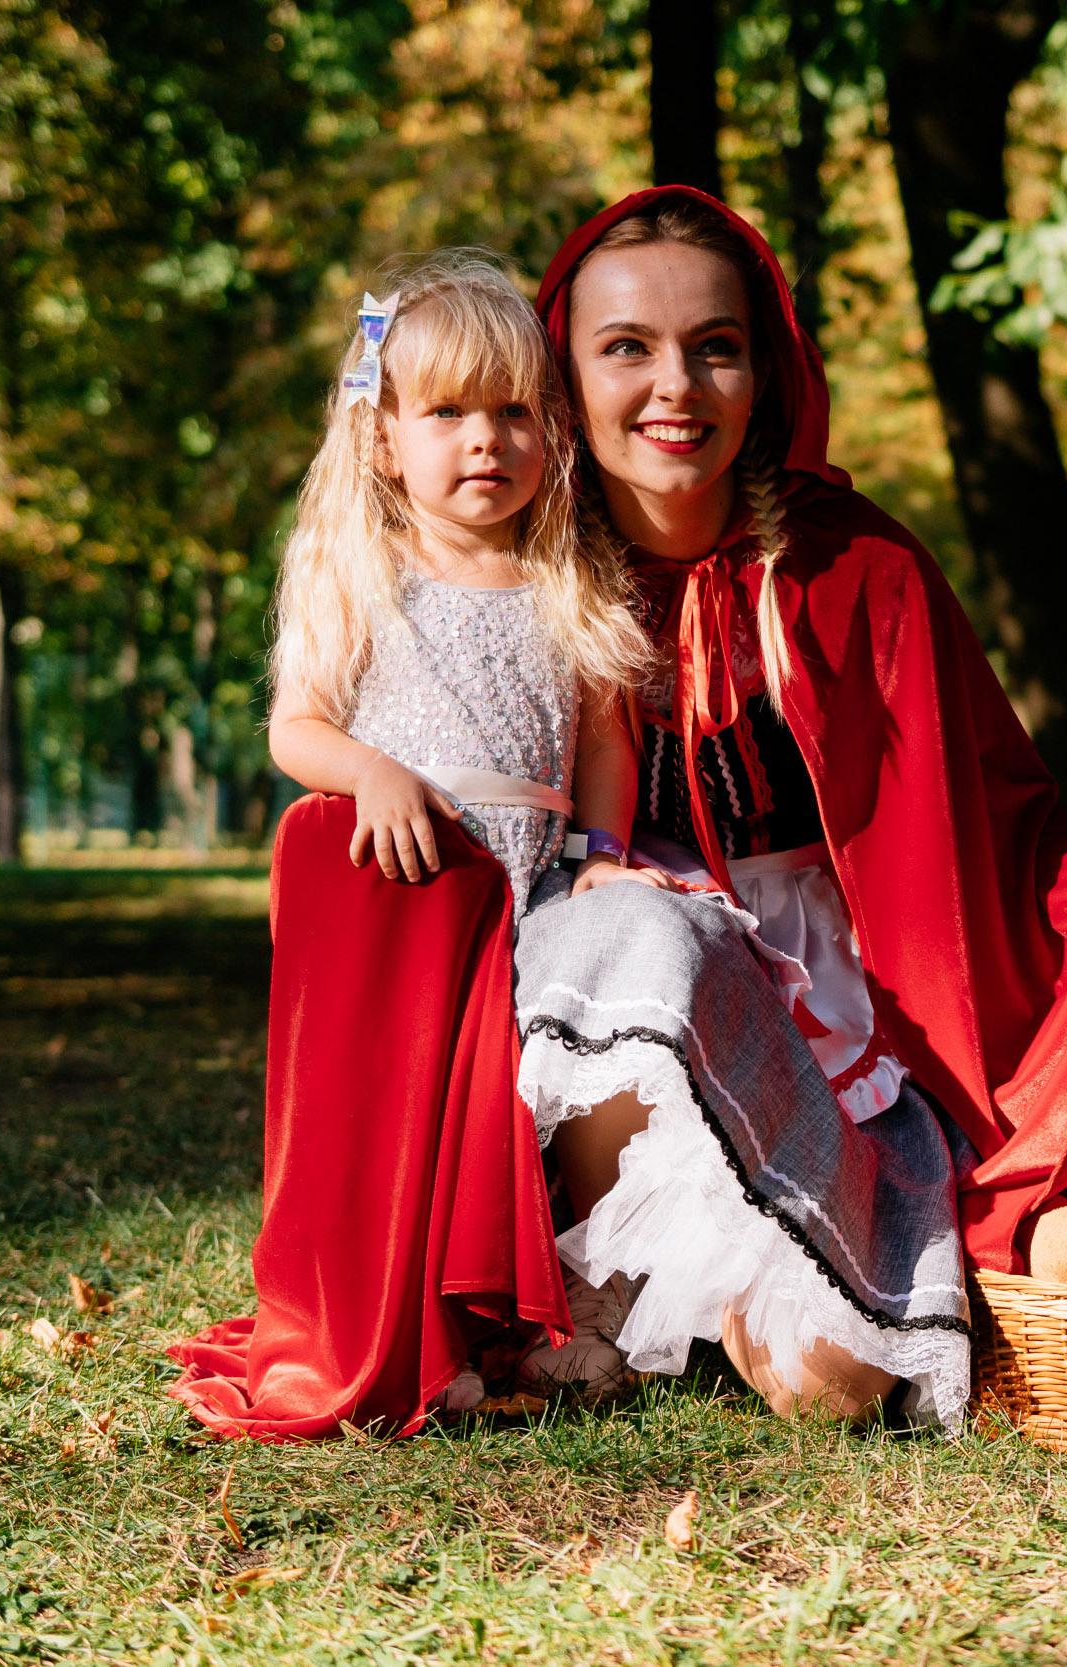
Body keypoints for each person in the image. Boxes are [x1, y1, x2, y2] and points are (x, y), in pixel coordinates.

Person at [506, 188, 1067, 1433]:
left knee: (831, 1386)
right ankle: (611, 1291)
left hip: (836, 985)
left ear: (769, 369)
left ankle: (803, 1297)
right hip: (638, 969)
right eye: (625, 347)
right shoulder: (525, 571)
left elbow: (977, 821)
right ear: (565, 376)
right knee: (628, 940)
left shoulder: (859, 566)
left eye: (716, 345)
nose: (674, 384)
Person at [167, 249, 654, 1439]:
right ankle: (429, 1333)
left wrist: (597, 848)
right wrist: (375, 772)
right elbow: (298, 727)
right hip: (412, 899)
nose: (484, 441)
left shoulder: (564, 576)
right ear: (384, 439)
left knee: (557, 1088)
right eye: (445, 414)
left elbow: (603, 740)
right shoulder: (365, 571)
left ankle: (563, 1314)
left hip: (530, 892)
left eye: (514, 413)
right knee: (426, 1124)